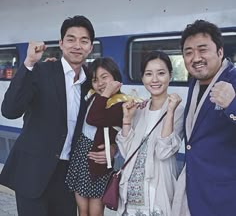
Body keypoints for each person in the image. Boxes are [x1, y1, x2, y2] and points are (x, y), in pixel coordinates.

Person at [0, 15, 108, 216]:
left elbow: (100, 124)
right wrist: (29, 63)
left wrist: (112, 150)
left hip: (68, 175)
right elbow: (9, 110)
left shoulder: (90, 84)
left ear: (91, 47)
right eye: (71, 39)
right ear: (61, 44)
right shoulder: (41, 71)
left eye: (84, 41)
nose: (77, 45)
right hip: (33, 172)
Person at [172, 20, 236, 216]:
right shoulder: (196, 82)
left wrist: (233, 105)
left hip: (225, 196)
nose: (195, 58)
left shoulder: (233, 80)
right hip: (195, 188)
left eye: (202, 50)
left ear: (220, 52)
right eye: (188, 52)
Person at [116, 50, 184, 216]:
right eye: (148, 74)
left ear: (170, 75)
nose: (154, 79)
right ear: (142, 77)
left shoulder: (178, 110)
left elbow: (163, 151)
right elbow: (125, 152)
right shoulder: (139, 108)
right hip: (131, 195)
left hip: (157, 194)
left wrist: (170, 111)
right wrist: (126, 119)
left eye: (161, 73)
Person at [65, 57, 125, 216]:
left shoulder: (119, 104)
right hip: (81, 157)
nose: (100, 83)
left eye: (104, 77)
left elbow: (94, 118)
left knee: (96, 212)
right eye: (95, 80)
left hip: (98, 164)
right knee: (82, 210)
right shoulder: (92, 96)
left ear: (116, 78)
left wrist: (105, 93)